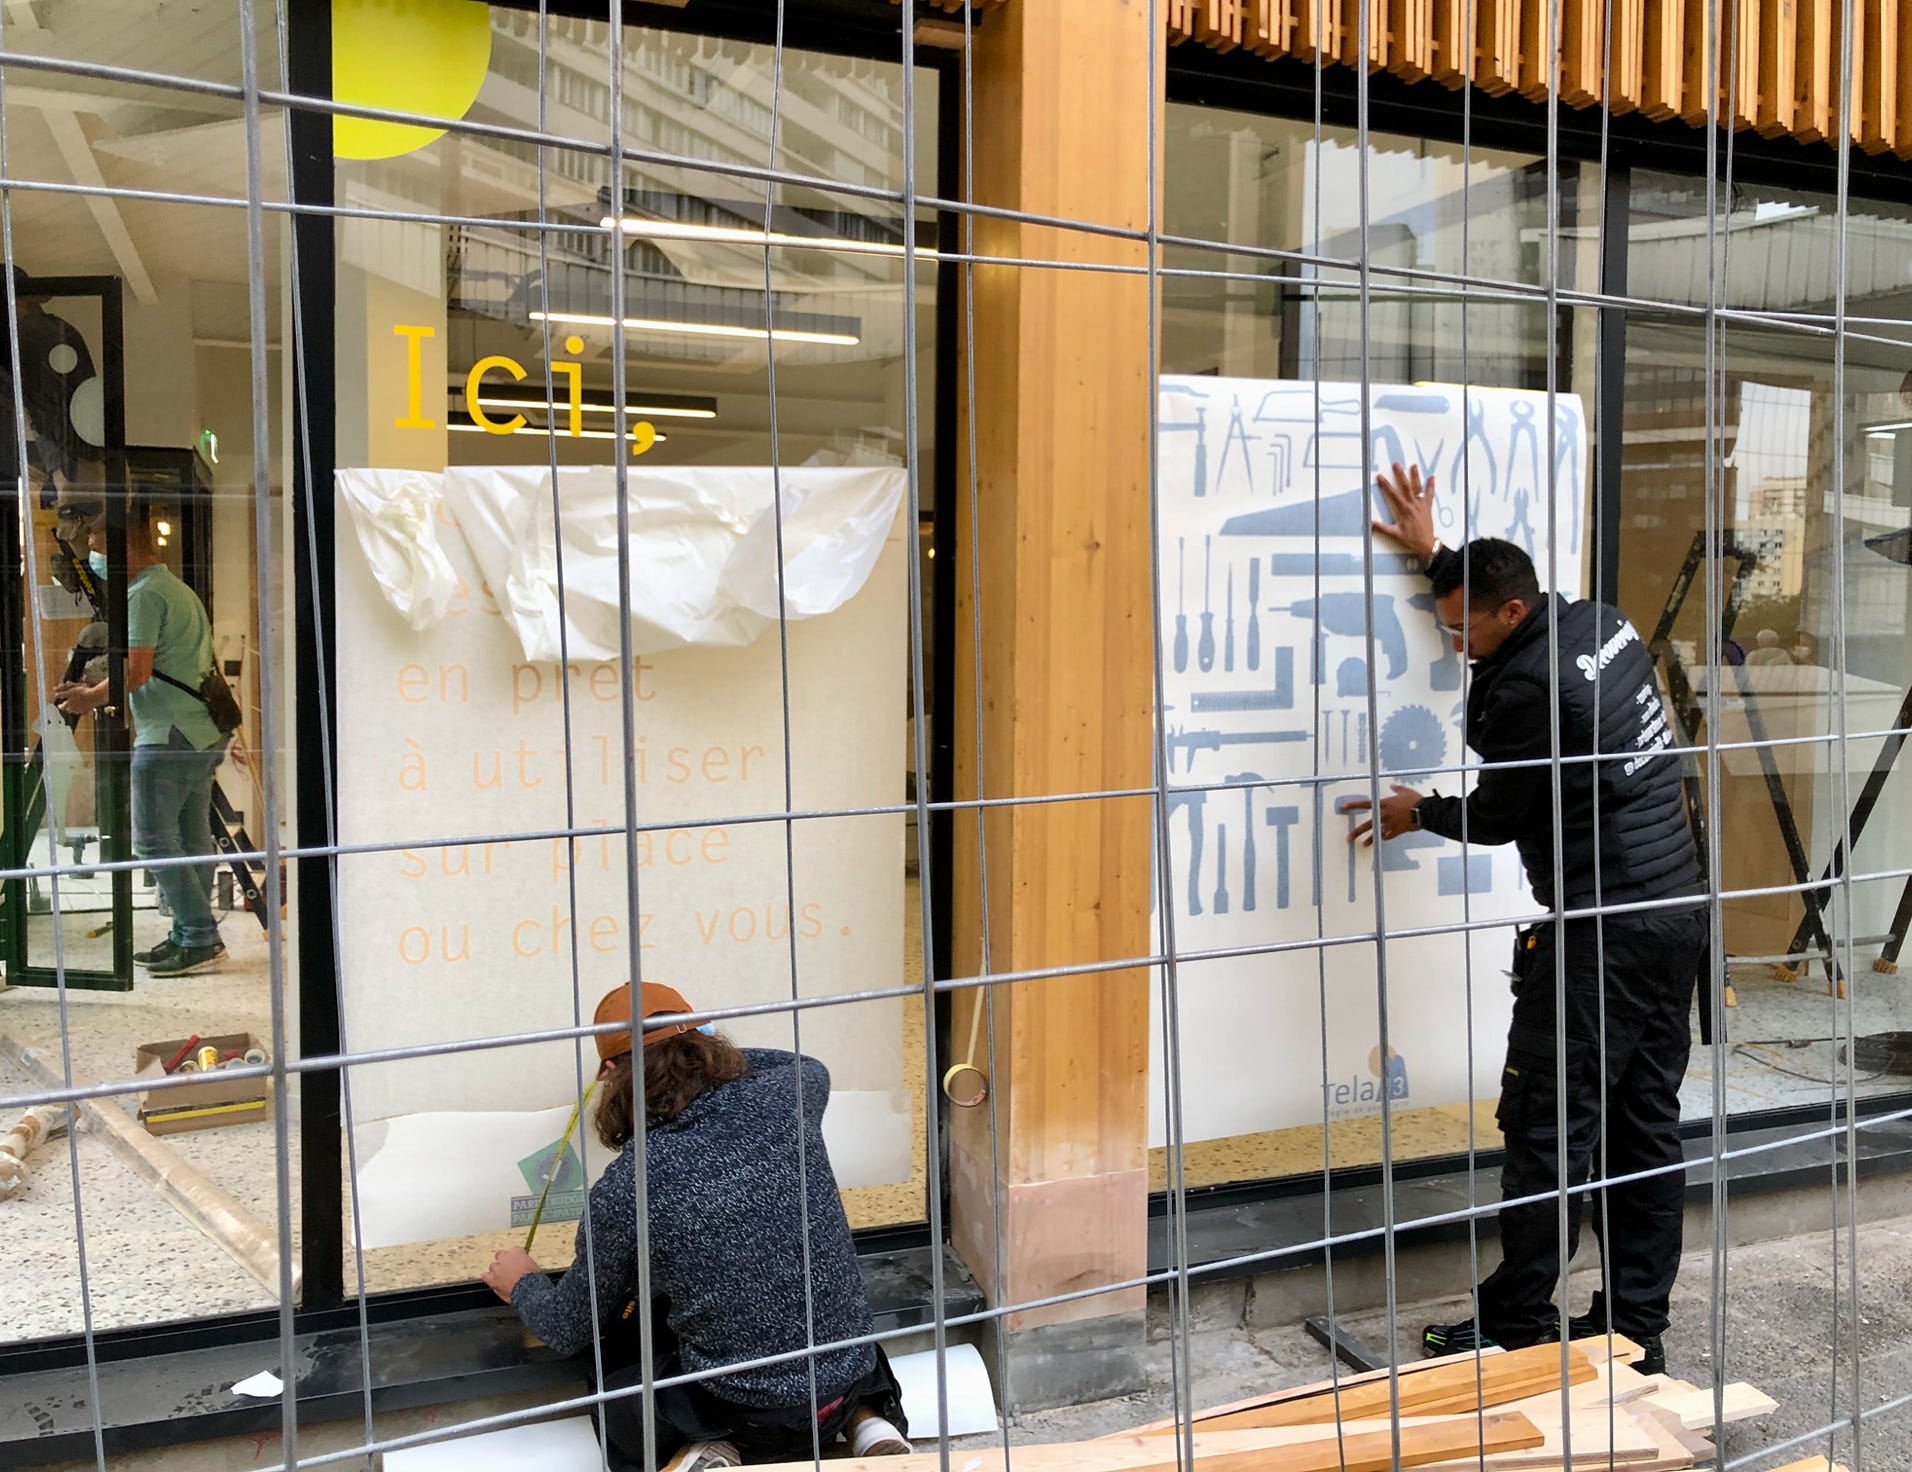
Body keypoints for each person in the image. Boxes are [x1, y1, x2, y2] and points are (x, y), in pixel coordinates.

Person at [1345, 463, 1706, 1377]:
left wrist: (1413, 810)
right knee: (1644, 1128)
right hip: (1677, 914)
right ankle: (1634, 1331)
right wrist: (1436, 553)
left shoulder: (1526, 692)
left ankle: (1514, 1328)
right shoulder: (1600, 623)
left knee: (1549, 1131)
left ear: (1509, 615)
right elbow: (1495, 596)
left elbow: (1500, 816)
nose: (1452, 639)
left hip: (1603, 933)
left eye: (1463, 626)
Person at [482, 982, 912, 1472]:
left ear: (610, 1075)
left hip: (743, 1414)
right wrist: (695, 1045)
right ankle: (868, 1419)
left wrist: (523, 1283)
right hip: (848, 1379)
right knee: (815, 1305)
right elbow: (796, 1061)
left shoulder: (628, 1186)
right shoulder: (791, 1094)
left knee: (618, 1345)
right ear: (709, 1042)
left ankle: (699, 1444)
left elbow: (567, 1327)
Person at [53, 504, 227, 975]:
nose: (90, 555)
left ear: (122, 545)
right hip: (198, 730)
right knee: (192, 837)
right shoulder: (176, 589)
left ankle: (198, 934)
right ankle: (190, 934)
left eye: (93, 545)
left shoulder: (145, 594)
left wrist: (90, 696)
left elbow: (136, 668)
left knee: (152, 841)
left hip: (166, 732)